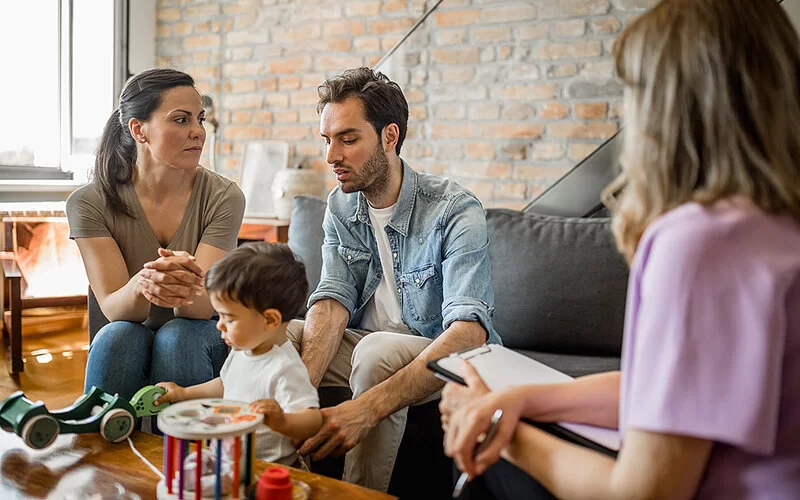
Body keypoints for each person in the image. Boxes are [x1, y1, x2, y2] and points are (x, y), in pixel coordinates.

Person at [439, 0, 800, 498]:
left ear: (664, 110)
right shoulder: (776, 226)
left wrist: (501, 431)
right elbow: (665, 393)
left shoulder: (700, 242)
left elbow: (645, 492)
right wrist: (518, 397)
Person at [287, 67, 501, 492]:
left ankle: (357, 494)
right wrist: (301, 394)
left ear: (389, 137)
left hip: (441, 357)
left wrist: (364, 409)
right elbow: (332, 299)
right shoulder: (342, 206)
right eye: (327, 140)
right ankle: (277, 477)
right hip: (368, 344)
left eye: (348, 139)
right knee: (281, 336)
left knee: (376, 350)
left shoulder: (454, 210)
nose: (332, 157)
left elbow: (468, 333)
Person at [66, 68, 245, 402]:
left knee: (180, 336)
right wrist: (147, 280)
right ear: (139, 130)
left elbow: (200, 309)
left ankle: (188, 452)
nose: (198, 133)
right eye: (181, 120)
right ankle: (104, 445)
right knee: (118, 336)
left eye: (200, 119)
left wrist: (173, 282)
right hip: (125, 328)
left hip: (196, 330)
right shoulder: (89, 202)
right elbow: (118, 309)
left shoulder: (225, 197)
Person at [155, 242, 321, 467]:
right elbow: (225, 383)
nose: (219, 326)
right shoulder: (242, 351)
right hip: (230, 460)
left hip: (268, 469)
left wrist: (282, 421)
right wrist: (183, 393)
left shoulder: (285, 367)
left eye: (229, 319)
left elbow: (312, 420)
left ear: (270, 320)